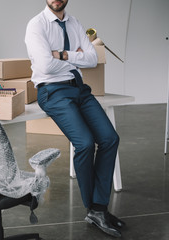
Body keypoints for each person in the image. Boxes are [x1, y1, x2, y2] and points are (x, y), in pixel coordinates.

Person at [25, 0, 126, 238]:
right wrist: (75, 57)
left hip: (79, 89)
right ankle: (92, 208)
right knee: (85, 143)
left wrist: (61, 54)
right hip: (52, 91)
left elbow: (92, 59)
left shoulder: (75, 23)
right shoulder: (36, 26)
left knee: (110, 138)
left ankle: (99, 208)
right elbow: (45, 66)